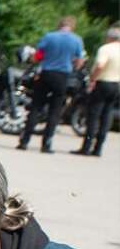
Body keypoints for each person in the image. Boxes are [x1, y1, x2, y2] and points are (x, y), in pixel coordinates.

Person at [18, 15, 86, 153]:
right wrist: (74, 68)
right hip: (62, 76)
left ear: (59, 25)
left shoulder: (49, 36)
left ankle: (25, 141)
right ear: (72, 27)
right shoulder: (77, 40)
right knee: (55, 110)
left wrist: (35, 61)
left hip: (46, 73)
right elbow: (80, 61)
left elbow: (39, 55)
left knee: (36, 107)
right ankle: (46, 144)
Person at [78, 23, 119, 157]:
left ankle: (87, 146)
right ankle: (98, 148)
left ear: (109, 37)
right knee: (107, 115)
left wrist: (93, 79)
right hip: (116, 84)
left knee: (94, 115)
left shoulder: (106, 49)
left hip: (104, 82)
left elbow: (100, 65)